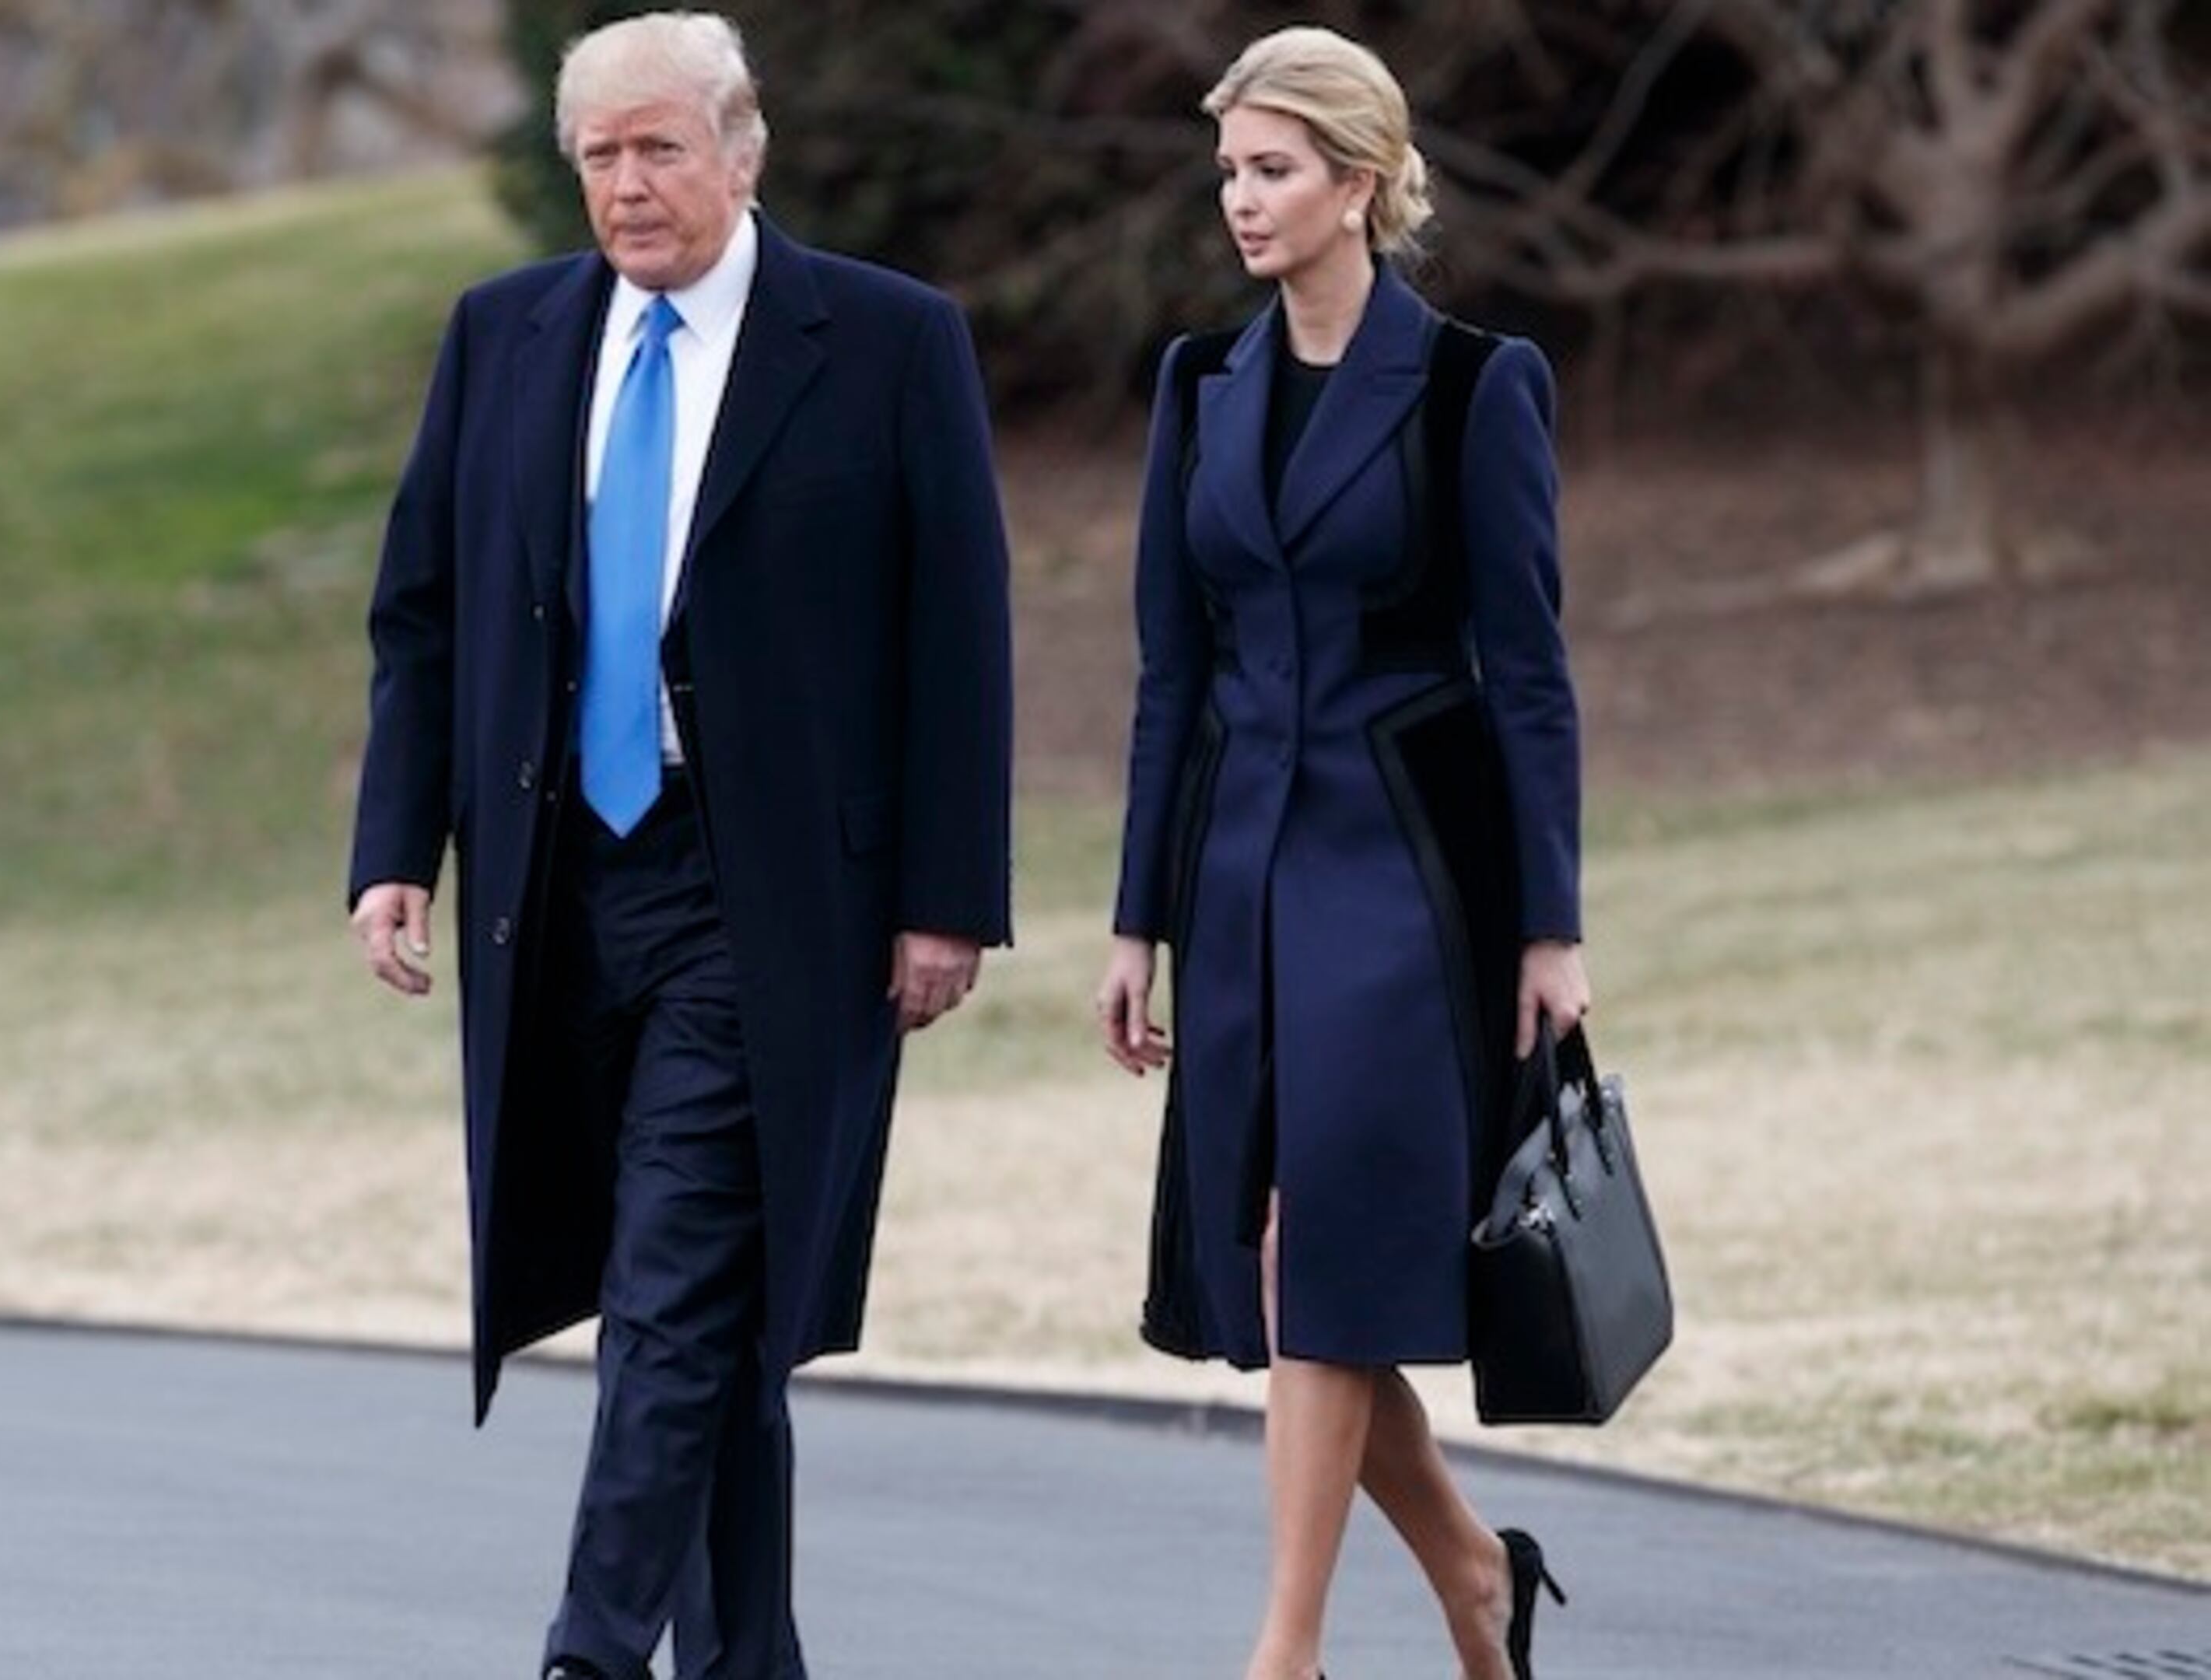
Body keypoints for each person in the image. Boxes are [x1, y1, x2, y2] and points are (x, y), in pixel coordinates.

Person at [345, 12, 1014, 1678]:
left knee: (671, 1288)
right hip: (559, 887)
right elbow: (423, 618)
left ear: (741, 150)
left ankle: (585, 1651)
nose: (628, 187)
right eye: (599, 156)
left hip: (773, 897)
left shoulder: (880, 340)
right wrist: (393, 850)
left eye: (658, 148)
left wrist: (949, 899)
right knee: (702, 1317)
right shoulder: (504, 337)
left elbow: (961, 635)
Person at [1091, 25, 1589, 1680]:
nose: (1241, 199)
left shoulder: (1475, 384)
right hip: (1237, 873)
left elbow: (1526, 672)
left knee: (1325, 1247)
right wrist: (1135, 919)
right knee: (1305, 1270)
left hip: (1408, 872)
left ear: (1359, 185)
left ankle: (1283, 1654)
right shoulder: (1197, 384)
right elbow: (1173, 668)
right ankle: (1471, 1574)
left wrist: (1550, 925)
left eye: (1274, 168)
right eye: (1230, 169)